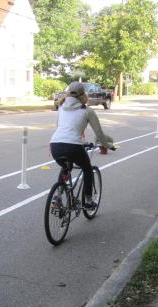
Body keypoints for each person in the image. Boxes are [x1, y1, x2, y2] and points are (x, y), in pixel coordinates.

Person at [50, 81, 114, 210]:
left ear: (68, 93)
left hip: (55, 144)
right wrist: (107, 145)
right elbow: (99, 134)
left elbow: (60, 127)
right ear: (83, 95)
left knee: (65, 167)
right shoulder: (87, 111)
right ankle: (88, 201)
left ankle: (57, 197)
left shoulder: (61, 107)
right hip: (73, 145)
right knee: (87, 169)